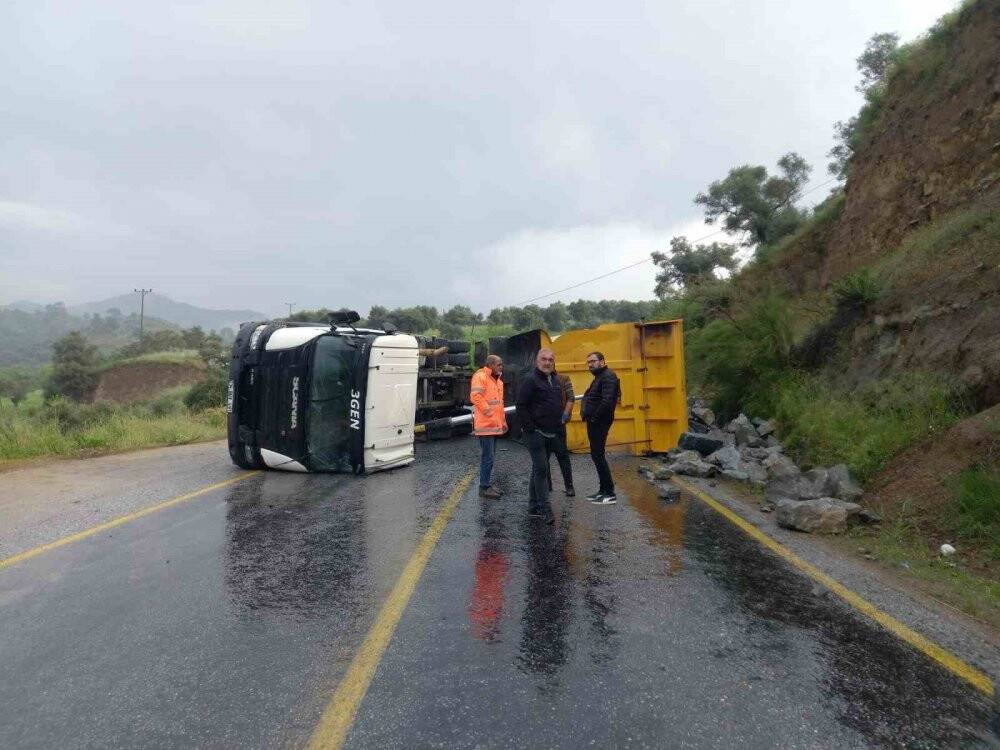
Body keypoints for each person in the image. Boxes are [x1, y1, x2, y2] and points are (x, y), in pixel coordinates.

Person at [516, 348, 564, 523]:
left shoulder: (555, 380)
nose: (547, 362)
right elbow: (521, 405)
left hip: (551, 433)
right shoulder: (531, 380)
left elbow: (557, 404)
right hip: (535, 434)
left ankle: (533, 506)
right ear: (537, 361)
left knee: (538, 469)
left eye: (551, 360)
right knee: (542, 469)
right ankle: (545, 509)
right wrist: (530, 428)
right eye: (544, 359)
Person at [581, 351, 620, 504]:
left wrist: (595, 418)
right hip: (595, 422)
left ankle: (609, 493)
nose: (590, 364)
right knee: (596, 455)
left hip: (599, 422)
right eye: (588, 362)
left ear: (602, 361)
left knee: (598, 455)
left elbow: (608, 401)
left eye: (593, 361)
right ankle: (603, 490)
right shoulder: (599, 377)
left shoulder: (608, 376)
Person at [470, 355, 507, 498]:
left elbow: (499, 404)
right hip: (486, 425)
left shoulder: (497, 381)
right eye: (499, 365)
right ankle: (484, 487)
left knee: (490, 457)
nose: (501, 367)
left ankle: (486, 485)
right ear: (491, 365)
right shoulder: (481, 376)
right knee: (488, 457)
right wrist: (489, 412)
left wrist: (502, 423)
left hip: (493, 425)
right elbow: (475, 397)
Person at [547, 372, 575, 497]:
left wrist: (565, 415)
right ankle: (547, 486)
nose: (547, 363)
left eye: (550, 360)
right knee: (543, 458)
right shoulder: (535, 380)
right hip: (542, 425)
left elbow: (571, 397)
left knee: (562, 456)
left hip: (558, 425)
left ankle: (569, 487)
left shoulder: (563, 378)